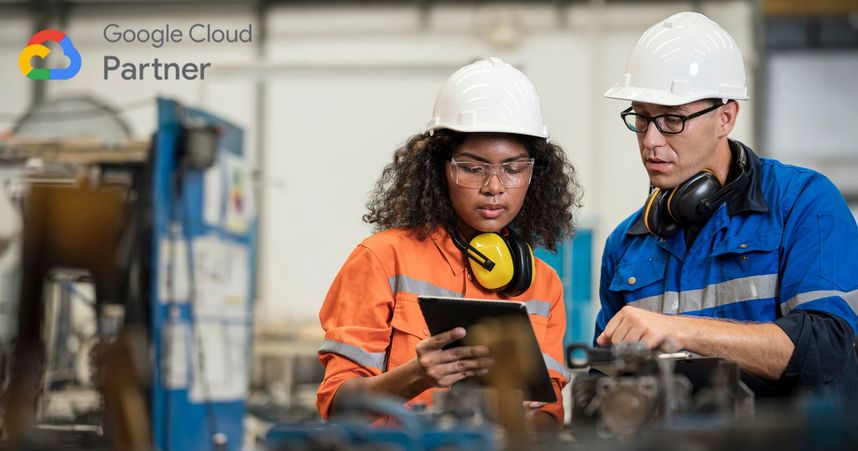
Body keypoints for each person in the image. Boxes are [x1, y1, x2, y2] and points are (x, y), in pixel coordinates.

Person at [595, 11, 858, 400]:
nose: (650, 140)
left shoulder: (803, 203)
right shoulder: (627, 243)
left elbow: (823, 349)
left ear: (726, 117)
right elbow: (604, 379)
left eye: (671, 120)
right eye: (642, 118)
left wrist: (679, 329)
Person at [316, 57, 582, 430]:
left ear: (534, 173)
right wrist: (416, 375)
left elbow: (551, 418)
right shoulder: (382, 259)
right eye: (473, 167)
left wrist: (519, 421)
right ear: (440, 169)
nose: (494, 186)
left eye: (513, 167)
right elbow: (337, 403)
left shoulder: (543, 285)